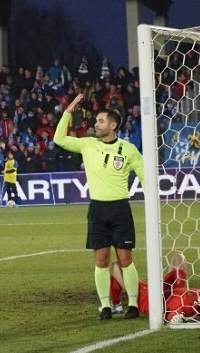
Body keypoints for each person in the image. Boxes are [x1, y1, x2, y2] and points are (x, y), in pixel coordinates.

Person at [54, 92, 145, 320]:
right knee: (101, 260)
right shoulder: (88, 145)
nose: (96, 124)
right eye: (96, 121)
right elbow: (59, 139)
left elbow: (145, 175)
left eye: (101, 121)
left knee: (126, 259)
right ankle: (105, 306)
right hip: (97, 210)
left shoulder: (128, 149)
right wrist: (68, 112)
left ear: (113, 125)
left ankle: (132, 303)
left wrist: (151, 196)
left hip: (120, 209)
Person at [108, 253, 200, 323]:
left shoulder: (193, 310)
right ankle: (117, 298)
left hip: (153, 300)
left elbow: (172, 316)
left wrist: (176, 318)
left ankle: (121, 301)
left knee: (115, 266)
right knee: (179, 257)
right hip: (171, 288)